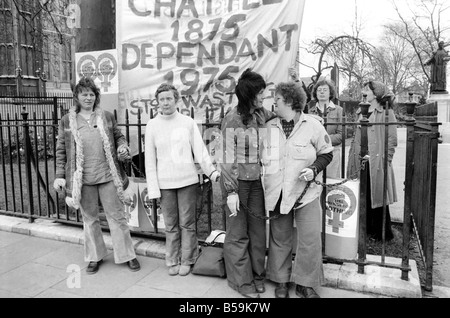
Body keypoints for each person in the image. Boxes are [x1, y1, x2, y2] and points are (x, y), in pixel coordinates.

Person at [53, 77, 140, 275]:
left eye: (92, 94)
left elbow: (118, 136)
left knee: (117, 217)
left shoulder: (106, 116)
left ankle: (127, 255)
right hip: (82, 179)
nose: (88, 97)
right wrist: (60, 175)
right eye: (84, 94)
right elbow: (61, 150)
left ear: (96, 97)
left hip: (108, 175)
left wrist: (122, 146)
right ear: (76, 96)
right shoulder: (67, 121)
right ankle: (95, 256)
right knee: (89, 219)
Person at [261, 81, 333, 298]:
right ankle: (280, 280)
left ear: (291, 102)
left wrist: (314, 168)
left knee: (309, 238)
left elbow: (327, 153)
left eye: (279, 100)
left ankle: (305, 283)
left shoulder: (313, 126)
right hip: (277, 192)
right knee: (279, 237)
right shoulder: (269, 127)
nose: (275, 103)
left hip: (306, 194)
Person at [144, 83, 220, 277]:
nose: (165, 102)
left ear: (176, 100)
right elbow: (150, 160)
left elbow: (200, 151)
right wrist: (153, 188)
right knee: (170, 225)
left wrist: (211, 172)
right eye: (162, 99)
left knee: (187, 223)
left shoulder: (187, 122)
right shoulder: (152, 125)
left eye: (169, 98)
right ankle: (172, 259)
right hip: (164, 184)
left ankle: (188, 259)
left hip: (187, 181)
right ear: (157, 102)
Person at [219, 68, 275, 298]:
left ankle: (257, 275)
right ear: (249, 94)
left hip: (255, 184)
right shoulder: (231, 119)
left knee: (258, 232)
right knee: (238, 233)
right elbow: (226, 157)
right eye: (260, 93)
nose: (263, 96)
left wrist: (309, 116)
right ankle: (241, 282)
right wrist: (231, 191)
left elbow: (284, 113)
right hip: (237, 184)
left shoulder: (260, 113)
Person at [347, 80, 398, 241]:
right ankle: (366, 230)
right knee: (363, 194)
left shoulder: (386, 112)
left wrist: (385, 160)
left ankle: (383, 233)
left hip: (377, 160)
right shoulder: (360, 110)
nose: (364, 92)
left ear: (376, 94)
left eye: (367, 90)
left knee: (378, 196)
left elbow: (392, 139)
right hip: (360, 158)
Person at [309, 79, 344, 179]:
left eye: (325, 89)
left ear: (330, 93)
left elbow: (341, 136)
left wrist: (323, 140)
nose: (322, 92)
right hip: (314, 155)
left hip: (333, 154)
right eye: (319, 90)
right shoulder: (311, 111)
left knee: (331, 186)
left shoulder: (338, 110)